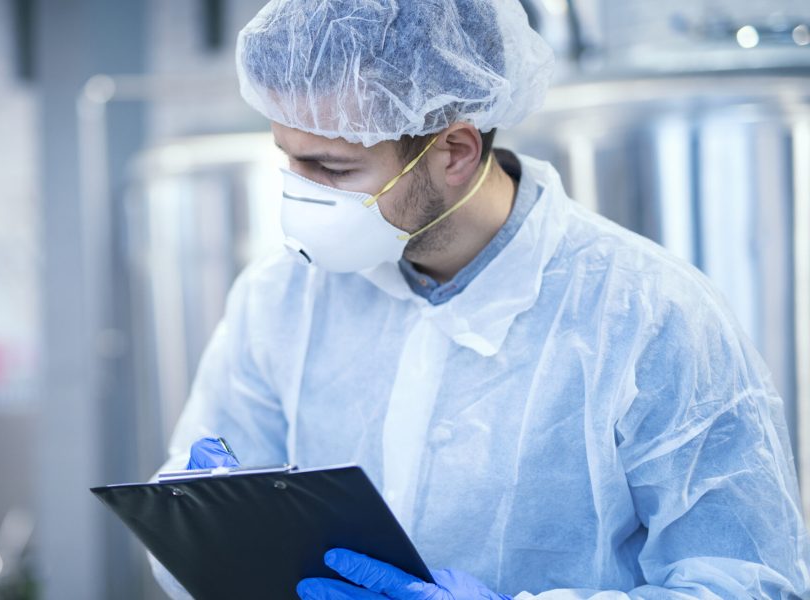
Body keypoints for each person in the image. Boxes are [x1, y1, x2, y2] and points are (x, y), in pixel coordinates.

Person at [152, 0, 810, 598]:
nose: (300, 193)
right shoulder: (281, 299)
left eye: (331, 168)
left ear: (456, 151)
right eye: (287, 158)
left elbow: (749, 583)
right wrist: (196, 519)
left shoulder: (648, 316)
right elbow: (207, 529)